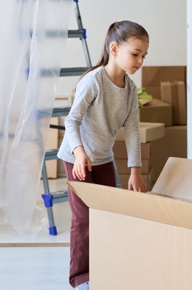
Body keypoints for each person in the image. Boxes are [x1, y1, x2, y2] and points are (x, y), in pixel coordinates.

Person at [57, 20, 149, 290]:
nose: (140, 60)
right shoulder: (93, 81)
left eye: (144, 56)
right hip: (77, 158)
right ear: (114, 49)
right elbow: (71, 121)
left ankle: (106, 268)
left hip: (103, 158)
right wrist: (79, 151)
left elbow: (132, 130)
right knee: (84, 217)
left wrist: (135, 170)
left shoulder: (130, 90)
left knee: (109, 214)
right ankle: (80, 279)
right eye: (135, 53)